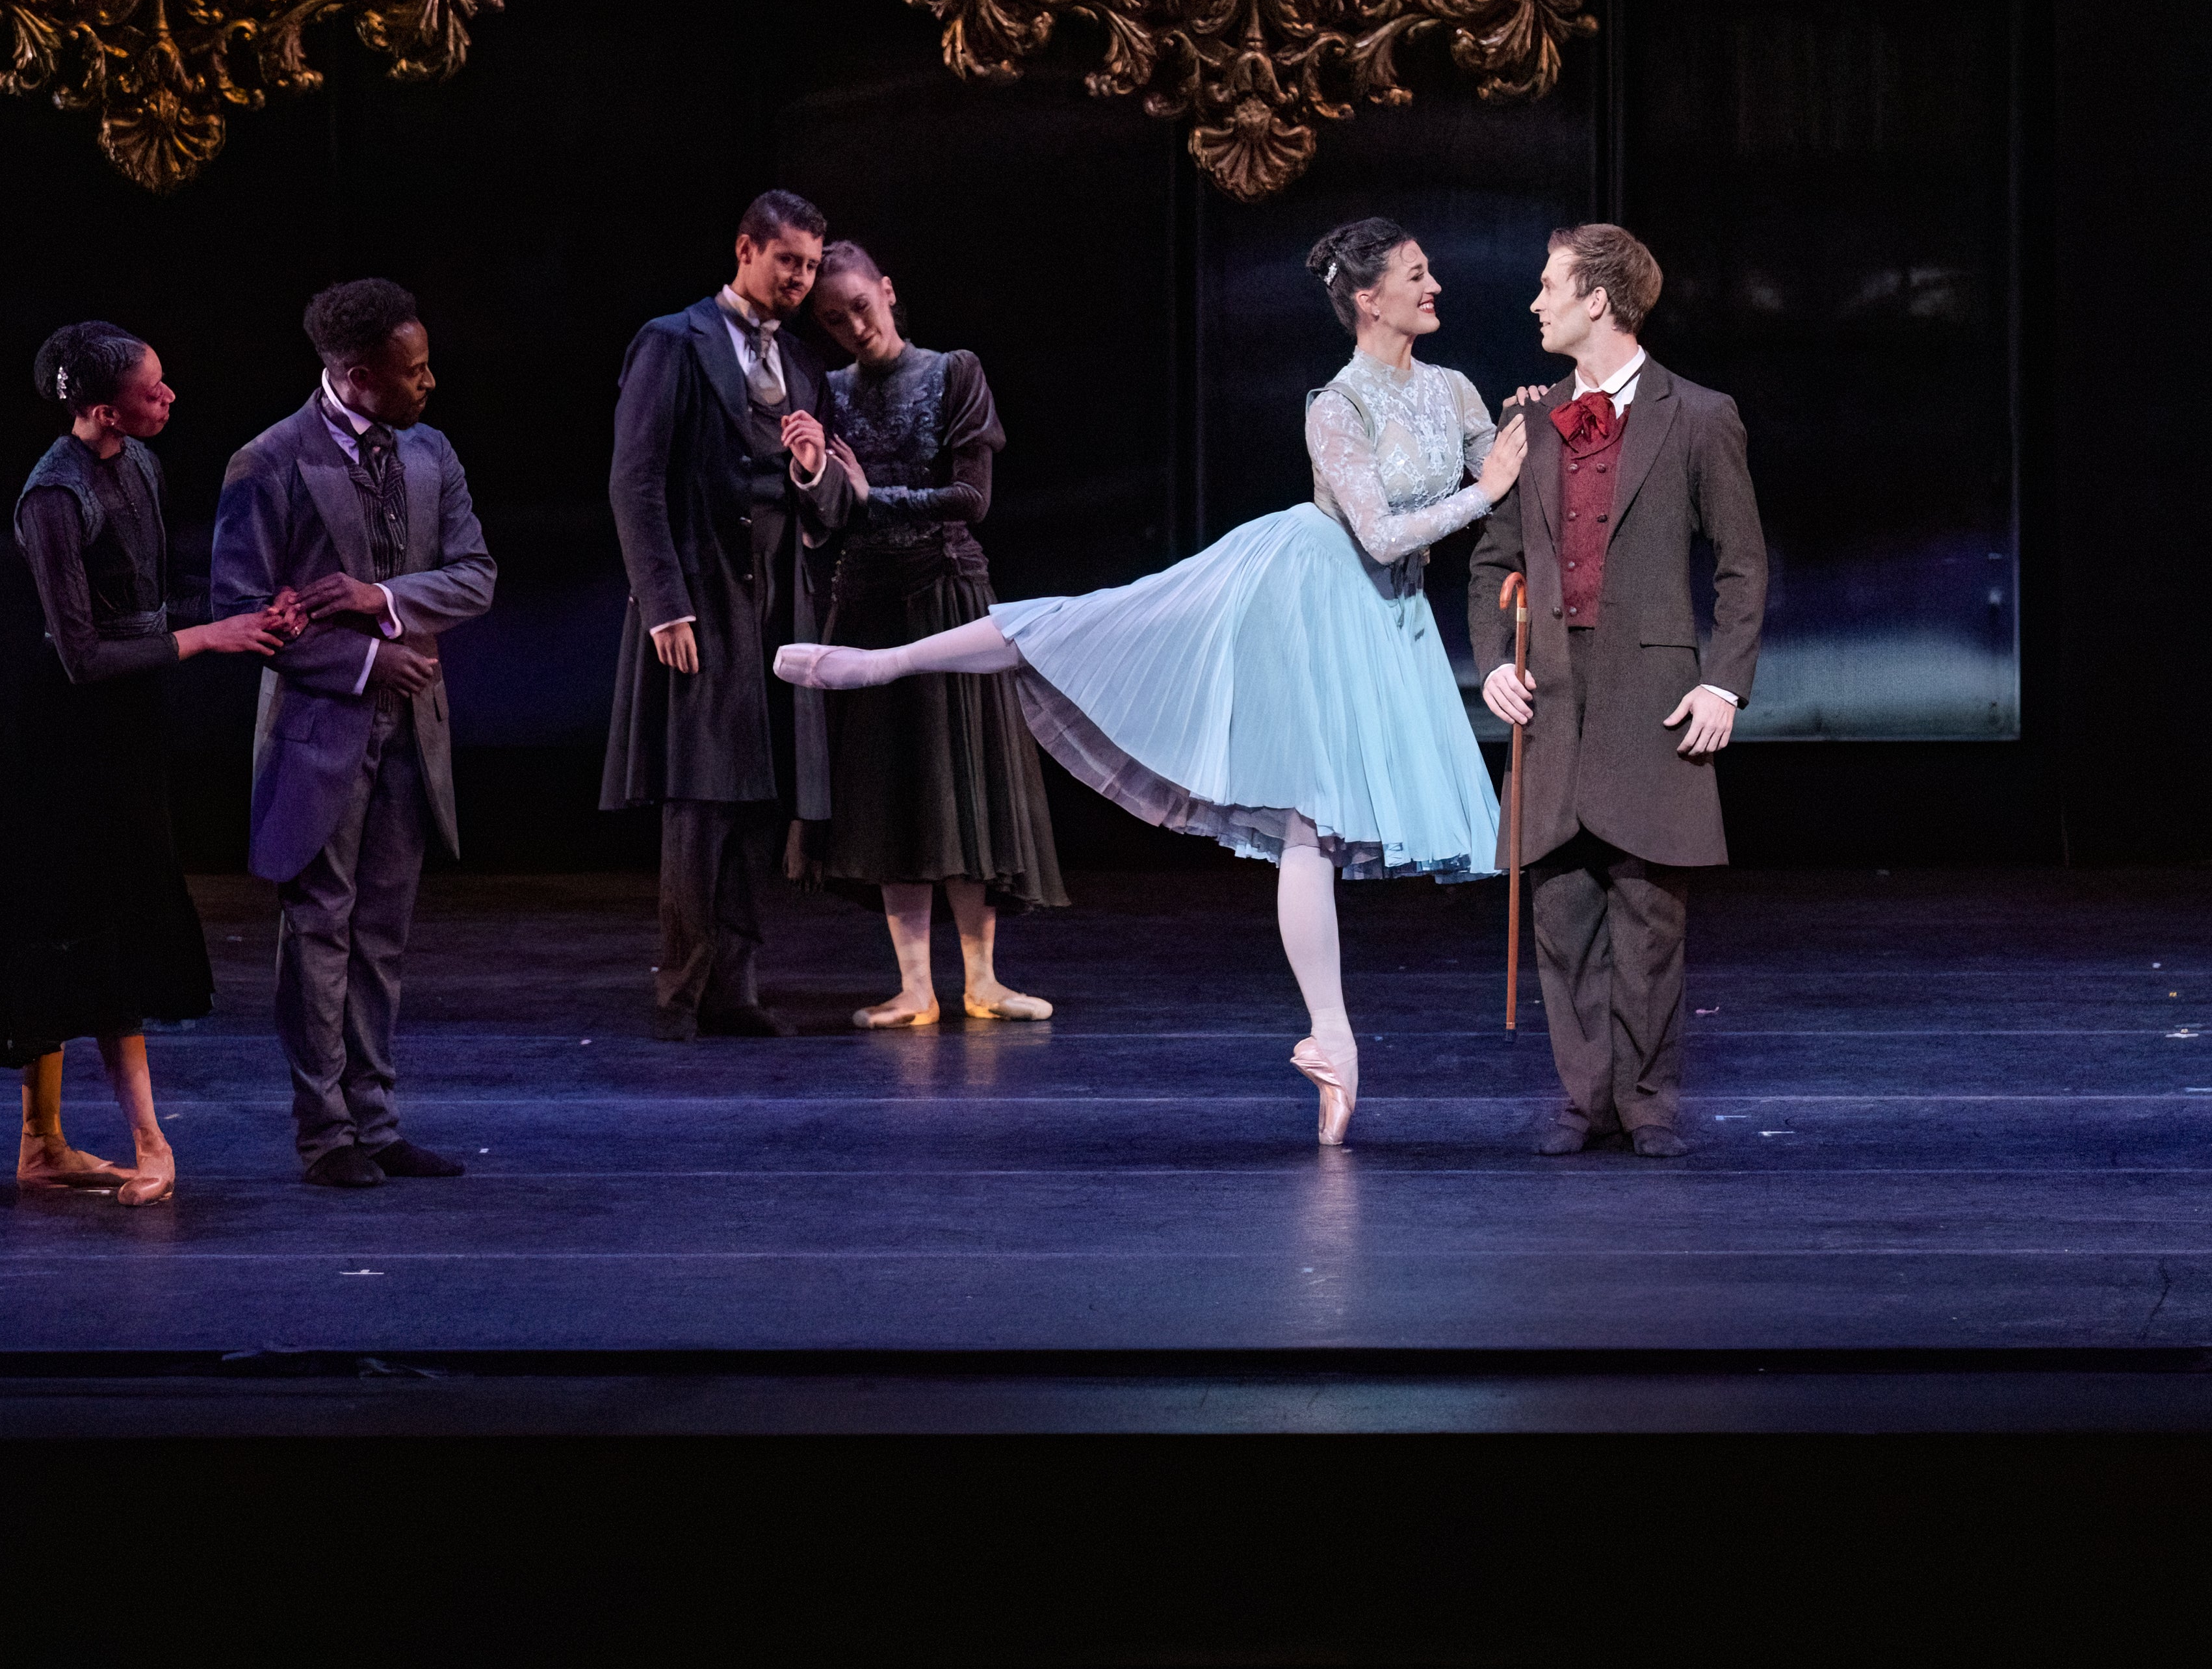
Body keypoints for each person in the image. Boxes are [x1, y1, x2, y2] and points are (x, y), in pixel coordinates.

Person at [778, 218, 1530, 1145]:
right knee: (1101, 624)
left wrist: (1523, 436)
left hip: (1389, 627)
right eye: (1419, 275)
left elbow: (1499, 469)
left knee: (1314, 826)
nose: (1438, 287)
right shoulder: (1335, 404)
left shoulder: (1453, 389)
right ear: (1368, 298)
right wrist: (1488, 485)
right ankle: (882, 662)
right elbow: (1380, 532)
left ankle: (1331, 1041)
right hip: (1306, 590)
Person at [0, 324, 300, 1204]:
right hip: (58, 739)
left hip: (123, 727)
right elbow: (82, 654)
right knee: (82, 924)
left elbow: (142, 608)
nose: (169, 398)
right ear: (103, 408)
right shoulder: (53, 497)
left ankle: (42, 1144)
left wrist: (245, 617)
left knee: (96, 920)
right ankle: (147, 1141)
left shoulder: (138, 466)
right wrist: (211, 637)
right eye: (153, 389)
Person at [1470, 224, 1767, 1158]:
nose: (1535, 301)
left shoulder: (1700, 415)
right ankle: (1582, 1098)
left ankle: (1647, 1101)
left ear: (1598, 298)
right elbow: (1493, 564)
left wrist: (1725, 682)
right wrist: (1494, 664)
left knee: (1648, 921)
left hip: (1651, 700)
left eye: (1549, 284)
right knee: (1561, 918)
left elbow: (1743, 565)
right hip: (1554, 700)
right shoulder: (1532, 422)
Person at [213, 280, 498, 1188]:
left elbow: (476, 575)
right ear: (355, 374)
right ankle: (323, 1130)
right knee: (319, 933)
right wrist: (371, 663)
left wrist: (382, 601)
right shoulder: (268, 462)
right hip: (319, 732)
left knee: (382, 934)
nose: (429, 384)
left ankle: (377, 1120)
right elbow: (240, 610)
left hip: (412, 736)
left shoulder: (430, 453)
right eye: (410, 371)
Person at [603, 192, 863, 1039]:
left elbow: (829, 505)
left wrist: (810, 468)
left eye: (813, 265)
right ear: (746, 249)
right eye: (788, 260)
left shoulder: (806, 365)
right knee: (700, 801)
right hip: (703, 594)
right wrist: (664, 604)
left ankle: (737, 989)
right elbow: (634, 481)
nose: (801, 278)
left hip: (779, 600)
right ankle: (680, 992)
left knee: (758, 798)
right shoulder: (673, 342)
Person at [803, 237, 1066, 1025]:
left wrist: (867, 496)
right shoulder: (829, 390)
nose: (854, 325)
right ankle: (915, 985)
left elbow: (970, 498)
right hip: (868, 602)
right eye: (834, 318)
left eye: (861, 305)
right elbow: (825, 520)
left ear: (887, 291)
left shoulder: (955, 370)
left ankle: (981, 979)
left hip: (949, 595)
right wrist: (815, 478)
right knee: (891, 791)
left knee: (963, 783)